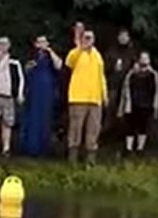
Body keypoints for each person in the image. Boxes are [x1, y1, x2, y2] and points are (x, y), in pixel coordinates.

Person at [65, 28, 108, 162]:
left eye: (90, 38)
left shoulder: (97, 55)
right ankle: (73, 156)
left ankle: (90, 157)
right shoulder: (76, 53)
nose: (88, 40)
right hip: (78, 97)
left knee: (94, 128)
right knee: (76, 128)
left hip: (95, 99)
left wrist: (104, 94)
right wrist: (80, 47)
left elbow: (101, 76)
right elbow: (69, 62)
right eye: (86, 37)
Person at [18, 34, 62, 157]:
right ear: (36, 44)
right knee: (32, 118)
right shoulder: (32, 56)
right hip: (33, 91)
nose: (42, 44)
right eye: (40, 42)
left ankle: (44, 148)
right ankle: (31, 148)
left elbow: (59, 65)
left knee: (45, 118)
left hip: (47, 92)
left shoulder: (50, 56)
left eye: (44, 42)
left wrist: (50, 51)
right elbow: (25, 70)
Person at [119, 51, 158, 154]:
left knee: (143, 127)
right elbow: (125, 90)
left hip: (146, 104)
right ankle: (128, 148)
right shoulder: (131, 74)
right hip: (132, 104)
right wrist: (123, 107)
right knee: (130, 127)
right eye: (142, 58)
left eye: (146, 58)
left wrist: (155, 106)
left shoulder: (153, 75)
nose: (144, 60)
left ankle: (140, 148)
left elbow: (156, 91)